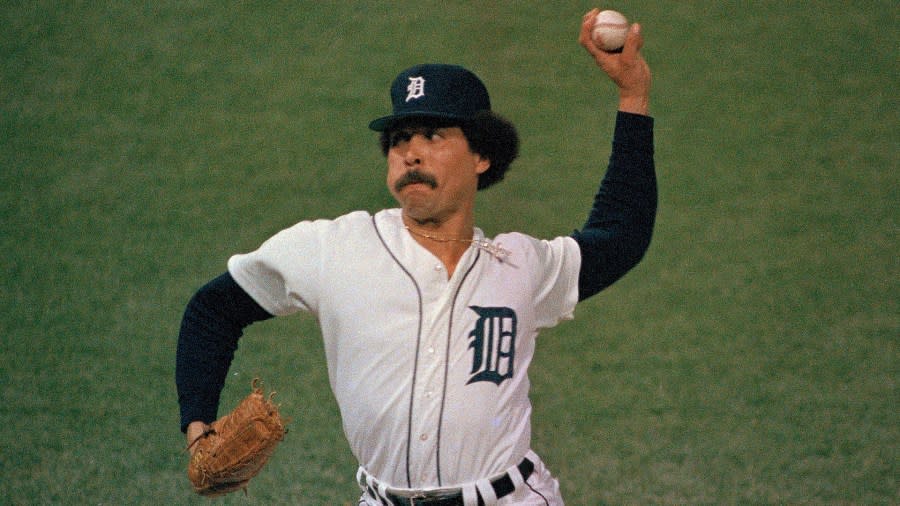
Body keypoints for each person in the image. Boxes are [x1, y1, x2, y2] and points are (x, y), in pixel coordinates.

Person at [176, 9, 655, 505]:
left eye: (433, 135)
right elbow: (213, 310)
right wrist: (198, 428)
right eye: (400, 139)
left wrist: (632, 95)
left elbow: (621, 233)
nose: (411, 153)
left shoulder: (520, 265)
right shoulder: (334, 249)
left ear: (481, 157)